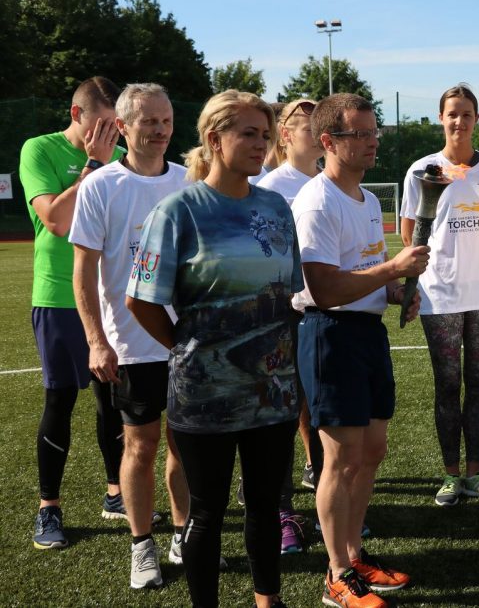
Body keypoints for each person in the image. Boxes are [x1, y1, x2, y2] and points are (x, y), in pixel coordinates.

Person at [126, 89, 302, 608]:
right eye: (248, 132)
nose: (260, 144)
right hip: (203, 394)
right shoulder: (179, 210)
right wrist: (188, 349)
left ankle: (268, 600)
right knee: (206, 514)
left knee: (266, 506)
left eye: (265, 135)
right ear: (213, 138)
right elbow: (142, 301)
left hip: (272, 392)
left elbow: (288, 292)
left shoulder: (275, 207)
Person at [293, 92, 423, 608]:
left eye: (375, 133)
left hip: (366, 334)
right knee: (340, 459)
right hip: (329, 334)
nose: (373, 143)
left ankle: (353, 552)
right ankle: (337, 574)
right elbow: (324, 287)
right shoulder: (315, 201)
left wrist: (392, 293)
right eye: (361, 134)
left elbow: (358, 274)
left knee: (371, 451)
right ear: (329, 142)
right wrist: (393, 270)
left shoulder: (367, 199)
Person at [70, 83, 188, 589]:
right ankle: (143, 547)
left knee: (185, 447)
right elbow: (84, 271)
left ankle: (185, 536)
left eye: (165, 120)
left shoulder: (189, 181)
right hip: (131, 343)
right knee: (140, 446)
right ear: (122, 127)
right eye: (148, 122)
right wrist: (97, 340)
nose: (160, 130)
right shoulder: (101, 186)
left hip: (186, 341)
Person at [19, 76, 126, 550]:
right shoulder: (38, 150)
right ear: (76, 113)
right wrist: (94, 165)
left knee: (114, 403)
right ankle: (49, 508)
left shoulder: (123, 159)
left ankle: (116, 494)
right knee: (60, 401)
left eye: (115, 127)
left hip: (110, 300)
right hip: (60, 298)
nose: (110, 135)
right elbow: (58, 221)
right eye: (102, 125)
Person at [400, 84, 479, 507]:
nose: (459, 121)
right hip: (440, 295)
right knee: (447, 384)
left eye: (467, 113)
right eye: (452, 113)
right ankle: (449, 474)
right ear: (441, 118)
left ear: (477, 119)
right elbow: (409, 234)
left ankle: (477, 474)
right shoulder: (421, 169)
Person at [258, 98, 325, 554]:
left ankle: (327, 508)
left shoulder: (329, 182)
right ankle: (282, 514)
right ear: (284, 134)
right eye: (304, 122)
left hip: (321, 316)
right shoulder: (269, 186)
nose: (314, 129)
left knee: (321, 417)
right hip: (281, 318)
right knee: (280, 420)